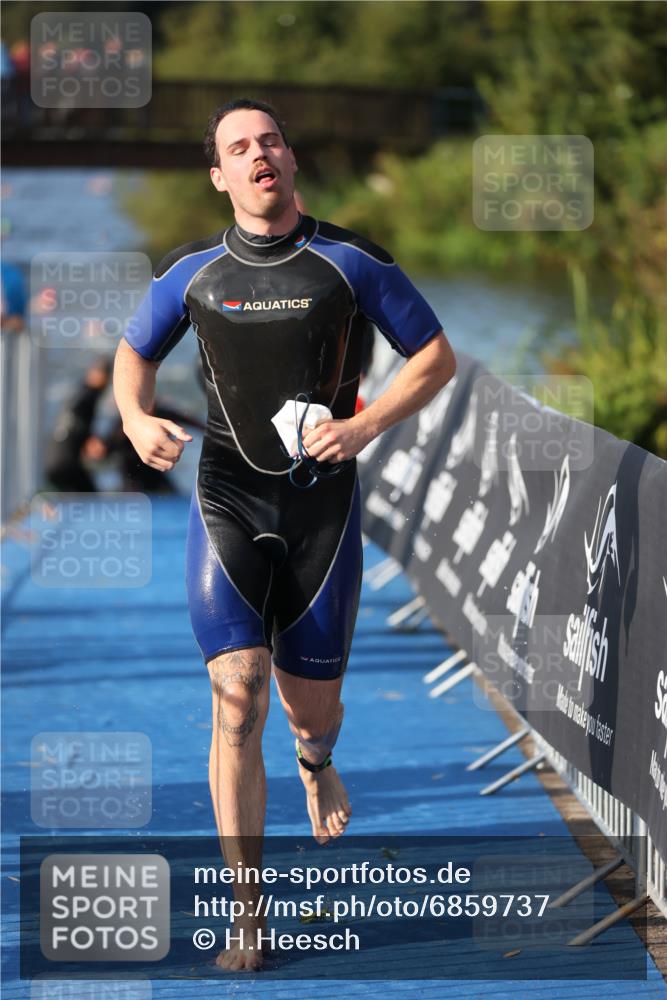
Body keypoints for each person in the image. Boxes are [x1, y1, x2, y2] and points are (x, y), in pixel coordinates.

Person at [113, 97, 456, 971]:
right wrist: (133, 416)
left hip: (321, 507)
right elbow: (133, 352)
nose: (258, 153)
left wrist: (363, 426)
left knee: (310, 706)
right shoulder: (192, 271)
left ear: (290, 161)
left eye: (269, 140)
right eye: (239, 146)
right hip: (228, 495)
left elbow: (433, 357)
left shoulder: (348, 262)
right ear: (220, 175)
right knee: (235, 695)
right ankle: (248, 915)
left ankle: (316, 759)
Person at [44, 356, 113, 492]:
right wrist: (90, 439)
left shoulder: (80, 391)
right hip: (65, 464)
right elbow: (77, 418)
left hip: (55, 462)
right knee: (90, 499)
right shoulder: (89, 394)